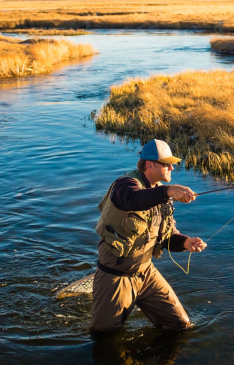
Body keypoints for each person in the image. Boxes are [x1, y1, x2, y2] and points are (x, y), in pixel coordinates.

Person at [90, 139, 207, 335]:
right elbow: (133, 199)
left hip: (147, 274)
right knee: (104, 337)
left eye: (172, 163)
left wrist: (185, 242)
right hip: (116, 277)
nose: (172, 167)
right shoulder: (124, 185)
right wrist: (168, 191)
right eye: (166, 163)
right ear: (149, 165)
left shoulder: (160, 193)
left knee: (179, 325)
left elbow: (166, 234)